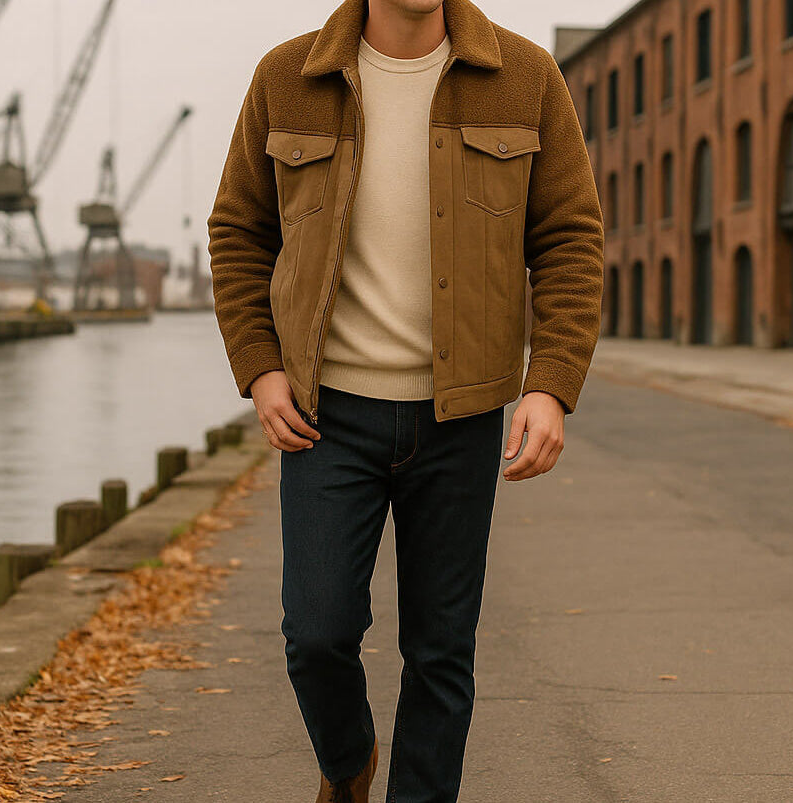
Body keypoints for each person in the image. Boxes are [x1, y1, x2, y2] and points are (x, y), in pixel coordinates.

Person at [208, 0, 603, 799]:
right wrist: (262, 366)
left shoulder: (526, 78)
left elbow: (568, 238)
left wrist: (551, 384)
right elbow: (239, 232)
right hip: (327, 416)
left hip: (460, 415)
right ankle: (348, 764)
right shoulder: (288, 78)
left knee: (441, 651)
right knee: (316, 636)